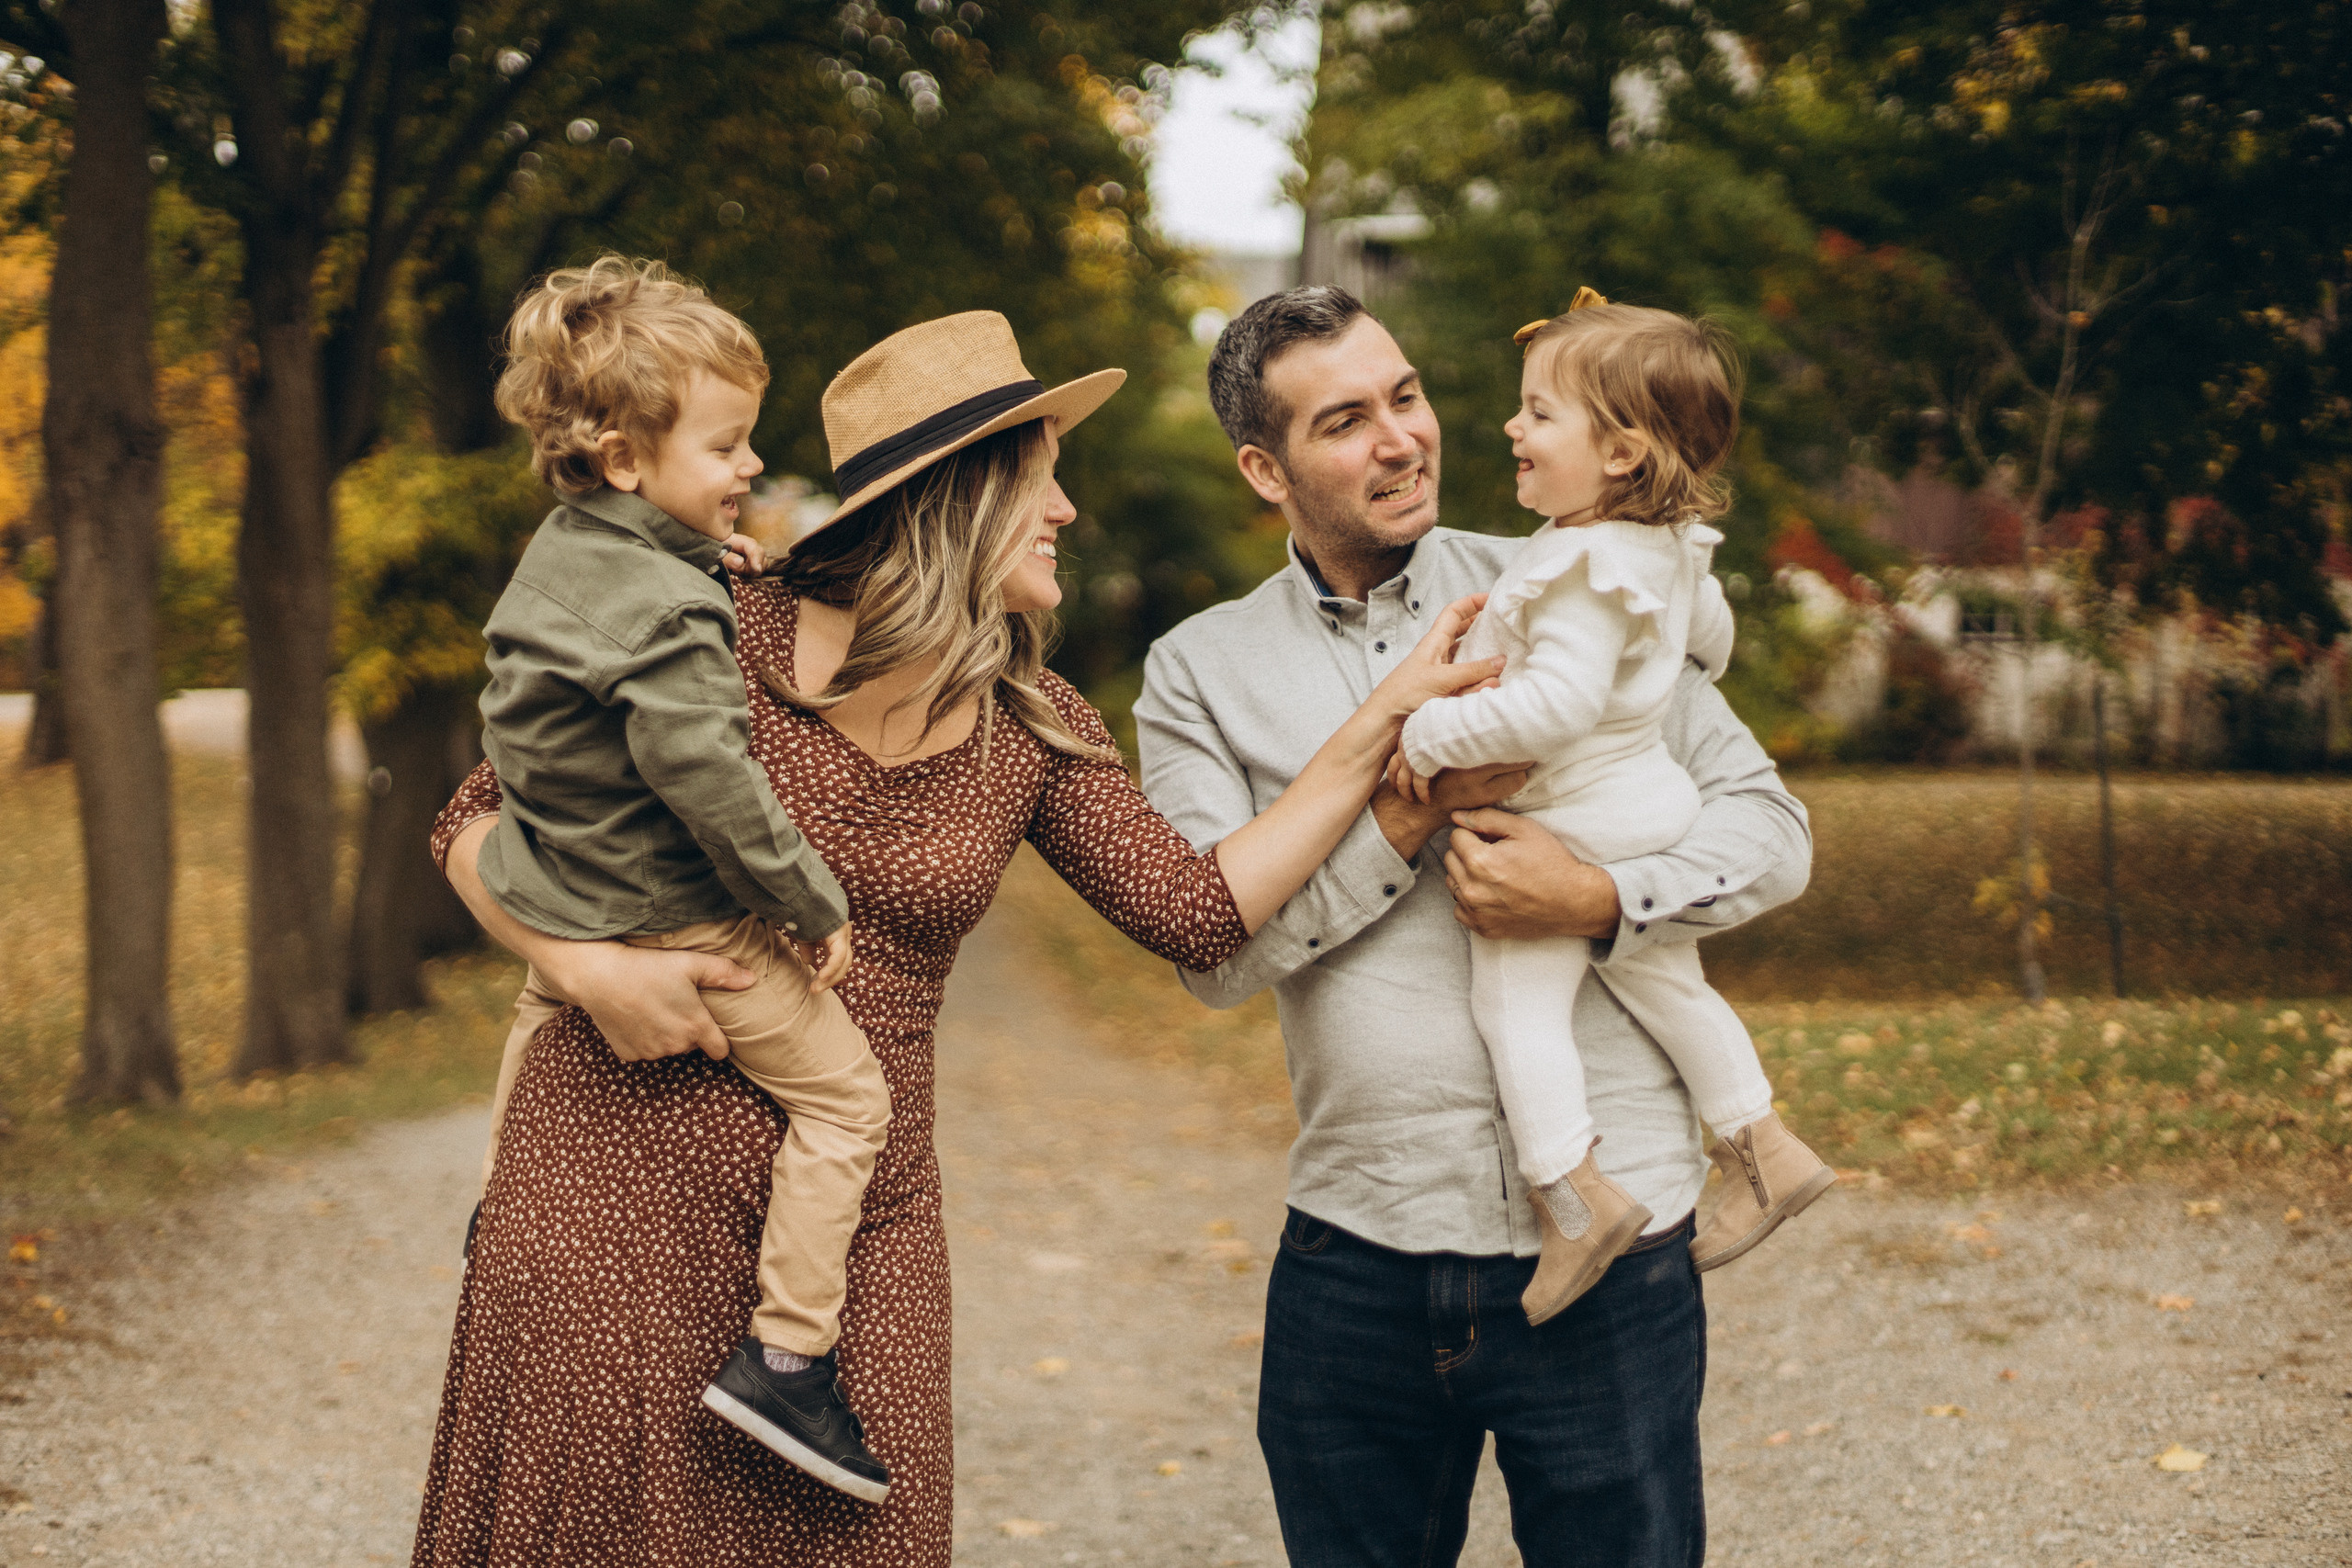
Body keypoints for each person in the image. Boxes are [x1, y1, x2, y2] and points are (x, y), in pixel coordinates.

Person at [413, 307, 1500, 1565]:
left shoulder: (1030, 727)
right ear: (966, 496)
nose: (1068, 513)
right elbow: (474, 815)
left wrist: (1383, 718)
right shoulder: (721, 625)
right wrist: (588, 967)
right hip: (613, 1180)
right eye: (1046, 478)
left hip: (854, 1245)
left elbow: (1197, 909)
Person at [1135, 285, 1813, 1567]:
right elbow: (1210, 953)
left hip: (1618, 1259)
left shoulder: (1577, 571)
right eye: (1347, 420)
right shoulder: (1201, 671)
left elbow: (1773, 834)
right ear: (1263, 469)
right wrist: (1394, 824)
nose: (1403, 437)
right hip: (1360, 1251)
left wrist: (1603, 900)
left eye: (1408, 396)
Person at [472, 254, 893, 1500]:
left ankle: (498, 1218)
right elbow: (713, 783)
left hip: (558, 888)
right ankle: (787, 1355)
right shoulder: (674, 609)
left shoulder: (568, 552)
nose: (749, 467)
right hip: (680, 915)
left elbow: (592, 665)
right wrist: (810, 901)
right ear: (620, 456)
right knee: (848, 1098)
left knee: (540, 1007)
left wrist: (707, 564)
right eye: (725, 447)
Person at [1393, 290, 1835, 1325]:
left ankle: (1575, 1197)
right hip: (1648, 801)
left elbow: (1559, 704)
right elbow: (1707, 637)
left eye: (1540, 412)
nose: (1513, 427)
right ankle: (1761, 1144)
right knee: (1666, 979)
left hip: (1586, 813)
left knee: (1512, 999)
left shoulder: (1583, 564)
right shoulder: (1658, 546)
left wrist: (1426, 735)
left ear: (1625, 453)